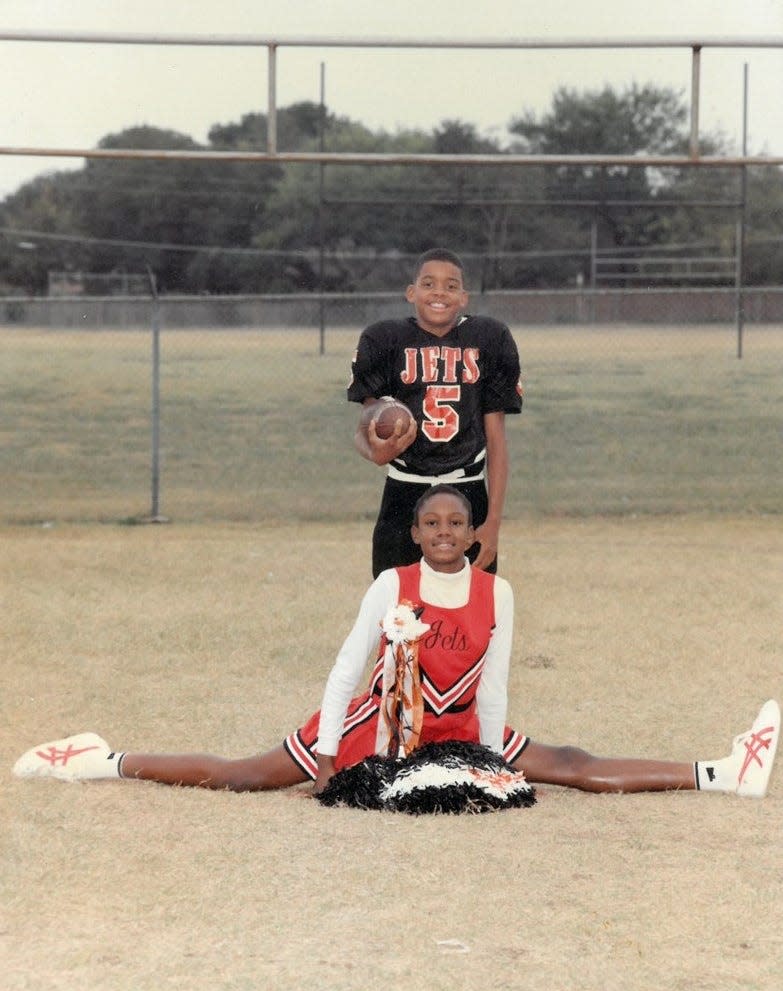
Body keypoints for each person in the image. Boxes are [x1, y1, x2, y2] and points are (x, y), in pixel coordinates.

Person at [12, 487, 780, 801]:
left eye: (457, 524)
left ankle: (721, 772)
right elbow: (349, 666)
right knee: (241, 775)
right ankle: (99, 758)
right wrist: (322, 749)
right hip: (371, 727)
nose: (445, 535)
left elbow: (494, 683)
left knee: (570, 763)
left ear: (475, 532)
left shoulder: (497, 591)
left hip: (454, 729)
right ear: (414, 534)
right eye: (431, 525)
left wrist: (483, 758)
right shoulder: (391, 581)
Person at [349, 248, 523, 578]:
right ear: (411, 292)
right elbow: (364, 427)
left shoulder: (490, 339)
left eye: (450, 286)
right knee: (396, 610)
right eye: (429, 284)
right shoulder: (384, 339)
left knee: (469, 610)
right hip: (403, 490)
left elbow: (496, 437)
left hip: (468, 488)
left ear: (464, 298)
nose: (439, 292)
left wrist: (493, 523)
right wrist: (375, 452)